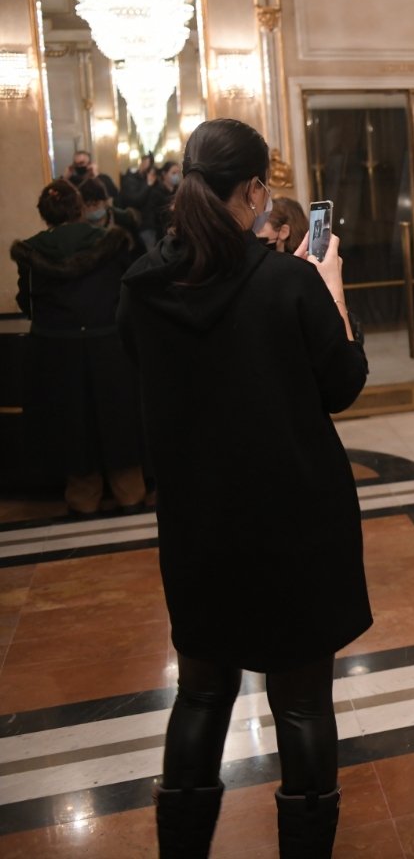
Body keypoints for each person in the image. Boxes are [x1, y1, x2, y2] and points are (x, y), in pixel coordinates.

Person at [118, 119, 370, 858]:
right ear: (256, 191)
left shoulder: (142, 286)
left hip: (200, 525)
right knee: (302, 705)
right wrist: (331, 288)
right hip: (295, 522)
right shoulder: (287, 280)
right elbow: (342, 384)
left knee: (201, 692)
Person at [10, 180, 147, 515]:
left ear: (45, 214)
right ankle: (130, 496)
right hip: (110, 347)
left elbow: (27, 301)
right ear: (81, 207)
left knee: (73, 427)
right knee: (119, 421)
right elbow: (130, 292)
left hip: (56, 353)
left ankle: (83, 500)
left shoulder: (32, 251)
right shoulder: (112, 242)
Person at [78, 176, 142, 241]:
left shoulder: (125, 220)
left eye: (95, 204)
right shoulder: (80, 229)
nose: (91, 209)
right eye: (87, 206)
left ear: (106, 202)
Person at [141, 161, 180, 251]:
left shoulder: (178, 191)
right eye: (173, 173)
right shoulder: (156, 192)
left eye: (178, 173)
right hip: (158, 234)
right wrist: (170, 209)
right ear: (164, 174)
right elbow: (153, 215)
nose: (176, 176)